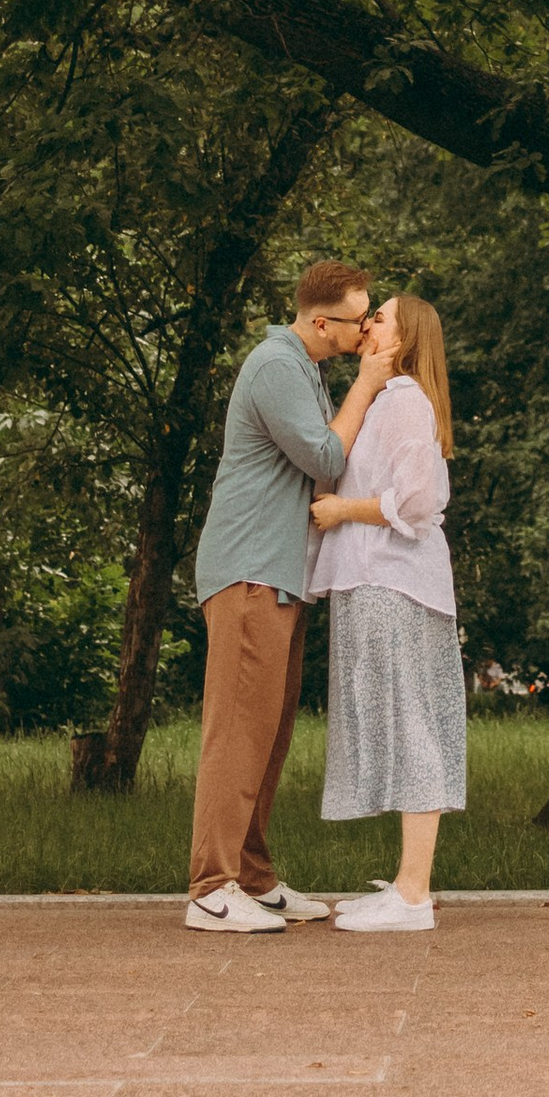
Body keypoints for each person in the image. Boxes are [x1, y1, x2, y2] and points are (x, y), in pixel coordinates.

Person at [184, 258, 392, 934]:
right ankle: (210, 888)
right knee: (238, 733)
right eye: (359, 319)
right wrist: (366, 384)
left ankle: (251, 877)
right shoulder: (276, 366)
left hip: (278, 574)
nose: (364, 329)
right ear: (321, 321)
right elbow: (325, 460)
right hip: (248, 571)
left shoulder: (305, 369)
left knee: (266, 734)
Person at [306, 289, 465, 933]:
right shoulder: (384, 402)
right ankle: (405, 884)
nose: (368, 324)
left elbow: (419, 500)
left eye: (381, 317)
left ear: (405, 341)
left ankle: (413, 897)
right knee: (402, 723)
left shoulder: (402, 400)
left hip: (390, 583)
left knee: (411, 725)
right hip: (378, 581)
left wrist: (343, 509)